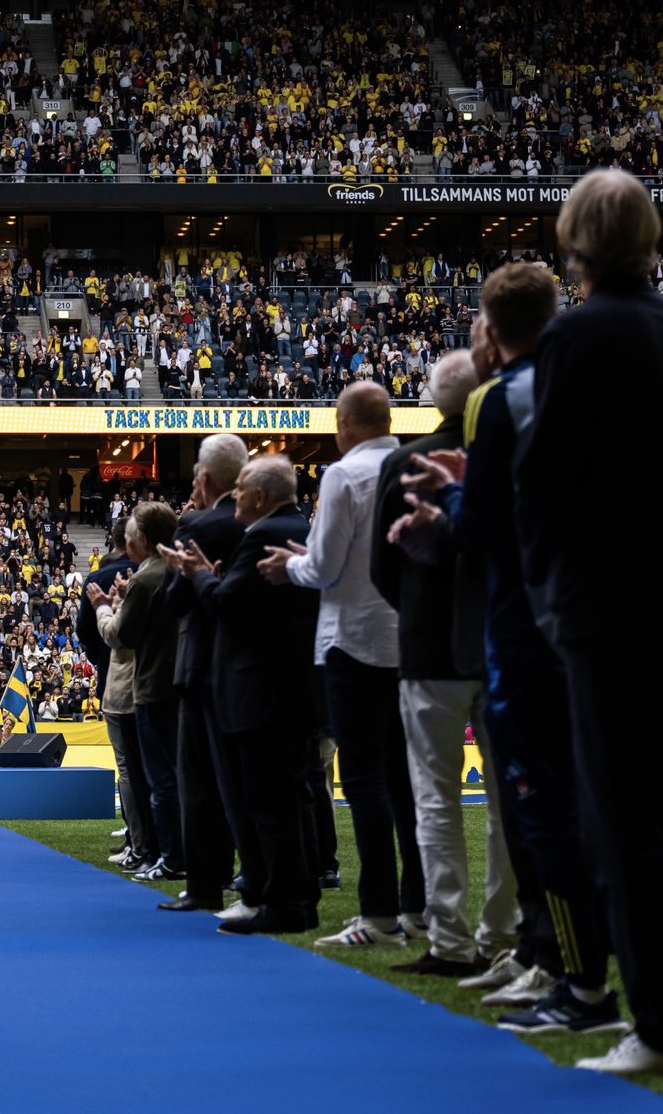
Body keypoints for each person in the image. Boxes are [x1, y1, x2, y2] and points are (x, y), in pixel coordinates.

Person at [516, 168, 663, 1077]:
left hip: (610, 605)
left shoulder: (576, 335)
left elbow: (547, 481)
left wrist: (546, 593)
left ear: (574, 240)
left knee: (622, 816)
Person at [399, 263, 621, 1034]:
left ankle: (575, 979)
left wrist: (452, 500)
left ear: (492, 332)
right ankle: (554, 958)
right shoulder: (589, 385)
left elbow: (490, 527)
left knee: (539, 812)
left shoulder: (500, 399)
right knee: (567, 808)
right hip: (586, 621)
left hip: (522, 632)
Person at [263, 382, 424, 949]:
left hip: (354, 641)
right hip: (408, 639)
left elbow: (325, 568)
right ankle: (418, 906)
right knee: (406, 781)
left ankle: (378, 914)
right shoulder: (415, 466)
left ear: (345, 424)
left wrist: (290, 567)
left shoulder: (344, 475)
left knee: (363, 779)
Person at [372, 352, 518, 976]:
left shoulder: (407, 461)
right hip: (501, 643)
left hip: (428, 647)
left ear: (434, 399)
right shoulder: (510, 454)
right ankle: (501, 937)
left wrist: (417, 610)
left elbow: (382, 568)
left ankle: (450, 940)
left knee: (435, 797)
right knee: (509, 799)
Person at [183, 455, 321, 935]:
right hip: (292, 685)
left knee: (270, 804)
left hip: (261, 690)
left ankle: (282, 904)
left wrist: (200, 575)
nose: (235, 496)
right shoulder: (300, 527)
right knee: (293, 800)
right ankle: (299, 900)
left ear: (260, 496)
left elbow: (226, 605)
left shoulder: (264, 534)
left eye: (241, 489)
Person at [158, 434, 248, 913]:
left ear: (206, 479)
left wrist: (183, 571)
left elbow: (174, 600)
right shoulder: (258, 522)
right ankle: (249, 875)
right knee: (244, 780)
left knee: (198, 781)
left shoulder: (196, 526)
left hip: (201, 664)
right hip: (251, 664)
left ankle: (204, 885)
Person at [95, 501, 182, 884]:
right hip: (177, 685)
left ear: (142, 540)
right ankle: (173, 852)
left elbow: (121, 635)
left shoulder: (146, 579)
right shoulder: (174, 569)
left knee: (156, 778)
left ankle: (163, 855)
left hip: (149, 686)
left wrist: (104, 608)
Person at [80, 522, 148, 868]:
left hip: (120, 680)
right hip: (159, 679)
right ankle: (160, 843)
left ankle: (140, 843)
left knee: (129, 768)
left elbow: (88, 632)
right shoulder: (159, 570)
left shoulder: (104, 578)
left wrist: (104, 659)